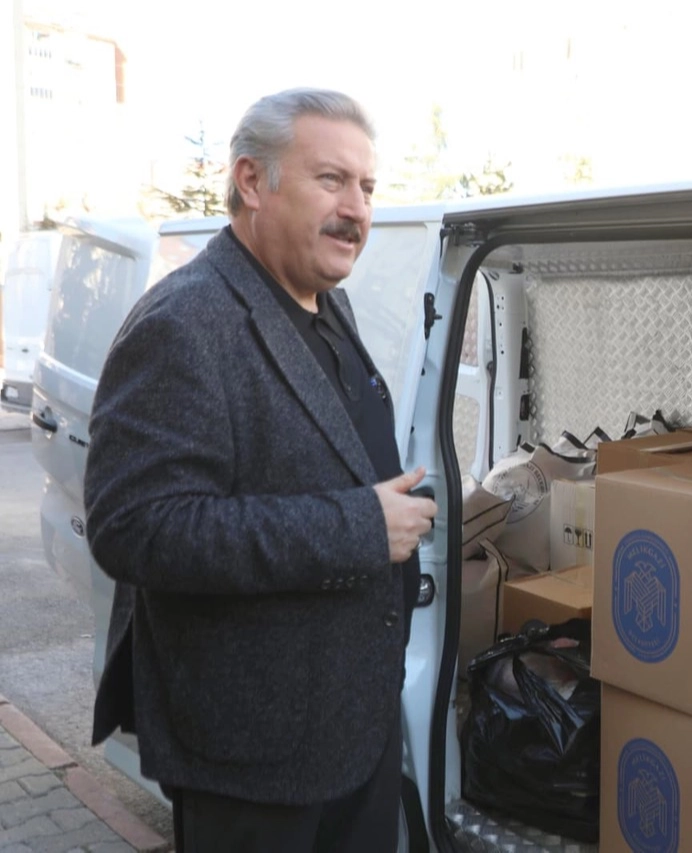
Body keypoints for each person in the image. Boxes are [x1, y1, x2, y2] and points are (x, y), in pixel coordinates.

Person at [84, 88, 437, 852]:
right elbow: (136, 527)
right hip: (254, 759)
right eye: (331, 179)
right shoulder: (185, 323)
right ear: (251, 181)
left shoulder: (324, 303)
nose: (357, 209)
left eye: (367, 186)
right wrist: (359, 526)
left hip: (352, 729)